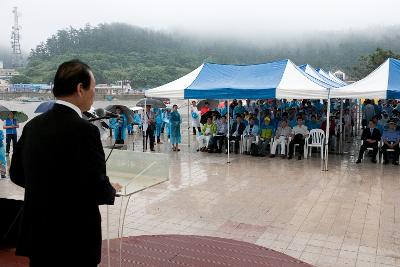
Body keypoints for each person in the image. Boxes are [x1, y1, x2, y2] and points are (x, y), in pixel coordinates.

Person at [9, 60, 120, 267]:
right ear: (80, 88)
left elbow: (16, 173)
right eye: (93, 88)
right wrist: (110, 190)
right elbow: (95, 186)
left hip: (38, 234)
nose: (94, 94)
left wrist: (46, 188)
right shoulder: (85, 131)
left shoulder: (33, 126)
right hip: (73, 238)